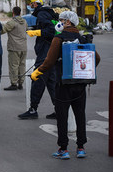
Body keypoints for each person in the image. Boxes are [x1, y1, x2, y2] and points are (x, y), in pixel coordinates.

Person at [31, 11, 100, 159]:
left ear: (68, 22)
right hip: (80, 85)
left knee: (62, 117)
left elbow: (49, 61)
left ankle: (63, 149)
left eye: (61, 20)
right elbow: (96, 58)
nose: (59, 23)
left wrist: (37, 72)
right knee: (80, 115)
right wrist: (85, 71)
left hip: (63, 84)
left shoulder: (58, 38)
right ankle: (81, 148)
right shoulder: (82, 38)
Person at [18, 0, 56, 119]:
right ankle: (59, 109)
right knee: (52, 83)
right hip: (51, 53)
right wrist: (36, 28)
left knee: (37, 81)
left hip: (45, 54)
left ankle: (33, 110)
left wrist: (36, 32)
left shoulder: (41, 14)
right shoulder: (48, 12)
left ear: (35, 3)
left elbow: (50, 30)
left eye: (30, 4)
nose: (29, 6)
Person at [1, 6, 28, 90]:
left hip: (14, 47)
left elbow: (2, 31)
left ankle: (13, 83)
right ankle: (21, 83)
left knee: (14, 65)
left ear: (13, 12)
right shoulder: (24, 22)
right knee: (22, 65)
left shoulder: (11, 22)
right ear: (20, 12)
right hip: (23, 47)